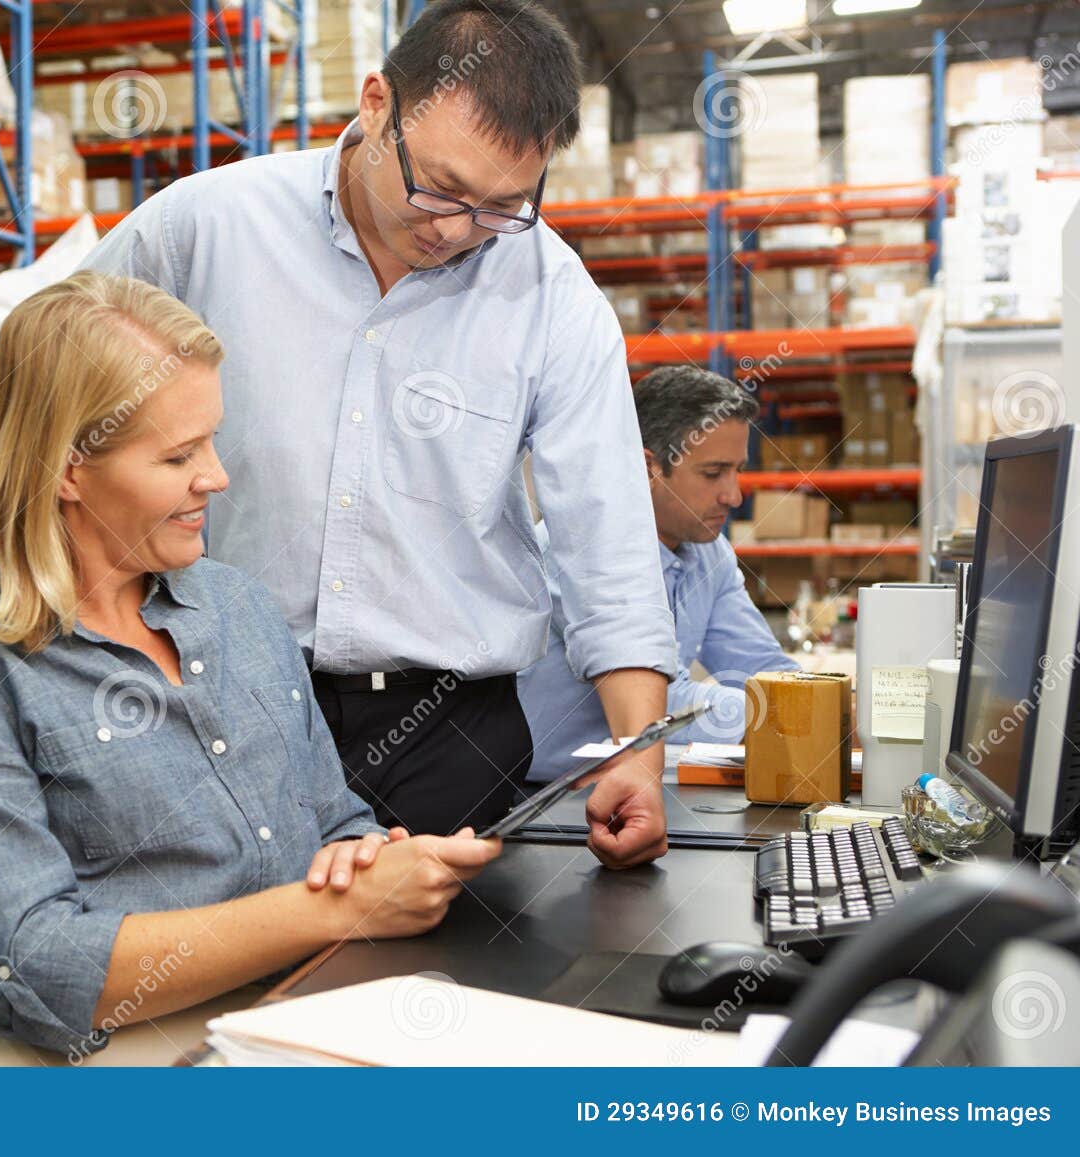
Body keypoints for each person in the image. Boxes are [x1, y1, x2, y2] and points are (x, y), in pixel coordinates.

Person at [83, 0, 676, 862]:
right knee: (220, 934)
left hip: (449, 734)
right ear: (376, 105)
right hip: (214, 699)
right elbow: (49, 386)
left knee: (443, 945)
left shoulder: (553, 296)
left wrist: (638, 755)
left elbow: (609, 545)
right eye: (439, 186)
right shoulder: (203, 228)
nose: (456, 229)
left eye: (502, 206)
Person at [0, 273, 502, 1066]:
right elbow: (33, 971)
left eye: (211, 440)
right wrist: (335, 911)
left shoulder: (238, 607)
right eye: (178, 455)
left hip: (291, 997)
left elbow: (333, 820)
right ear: (67, 469)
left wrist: (370, 859)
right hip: (93, 1045)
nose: (216, 475)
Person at [518, 365, 802, 783]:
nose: (734, 495)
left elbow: (761, 668)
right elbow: (660, 701)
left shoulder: (709, 553)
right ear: (647, 468)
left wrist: (818, 700)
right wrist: (791, 714)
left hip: (641, 780)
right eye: (713, 473)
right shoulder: (578, 552)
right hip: (549, 795)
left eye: (737, 470)